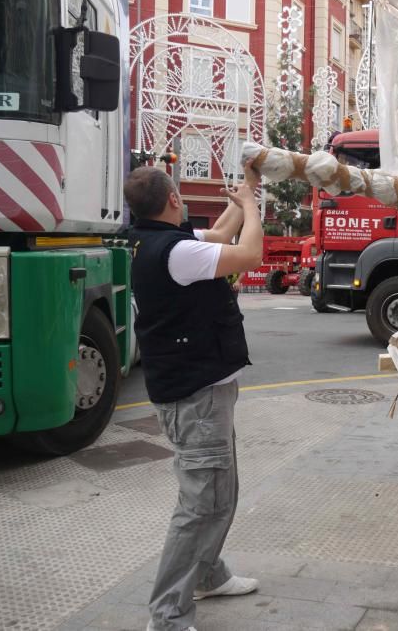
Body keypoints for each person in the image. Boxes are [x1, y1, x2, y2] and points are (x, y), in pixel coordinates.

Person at [124, 162, 264, 631]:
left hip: (193, 387)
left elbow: (221, 234)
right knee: (201, 503)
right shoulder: (176, 252)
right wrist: (252, 206)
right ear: (173, 201)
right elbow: (248, 254)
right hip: (195, 395)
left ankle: (207, 574)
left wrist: (241, 197)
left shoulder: (152, 240)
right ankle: (167, 614)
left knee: (220, 494)